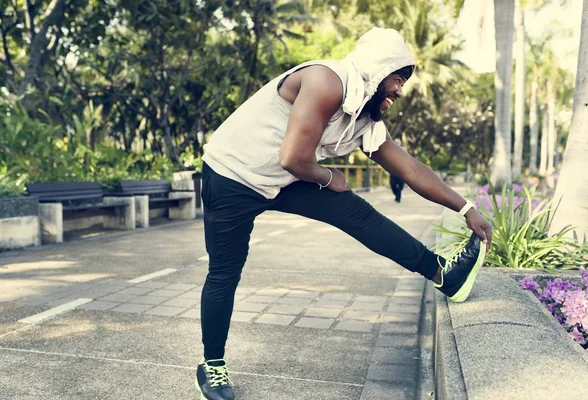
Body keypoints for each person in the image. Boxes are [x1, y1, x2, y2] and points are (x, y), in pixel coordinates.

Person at [195, 28, 492, 400]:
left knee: (358, 214)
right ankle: (213, 366)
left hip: (284, 178)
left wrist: (465, 208)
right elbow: (293, 157)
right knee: (225, 271)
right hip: (232, 175)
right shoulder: (326, 81)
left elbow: (411, 170)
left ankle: (442, 274)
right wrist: (329, 176)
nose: (400, 91)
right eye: (398, 80)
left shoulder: (363, 120)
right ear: (377, 70)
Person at [389, 138, 406, 202]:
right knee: (392, 185)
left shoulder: (403, 150)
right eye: (395, 142)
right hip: (393, 170)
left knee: (400, 185)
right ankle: (397, 195)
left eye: (397, 142)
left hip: (401, 171)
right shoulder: (390, 151)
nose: (396, 143)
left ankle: (398, 198)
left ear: (400, 143)